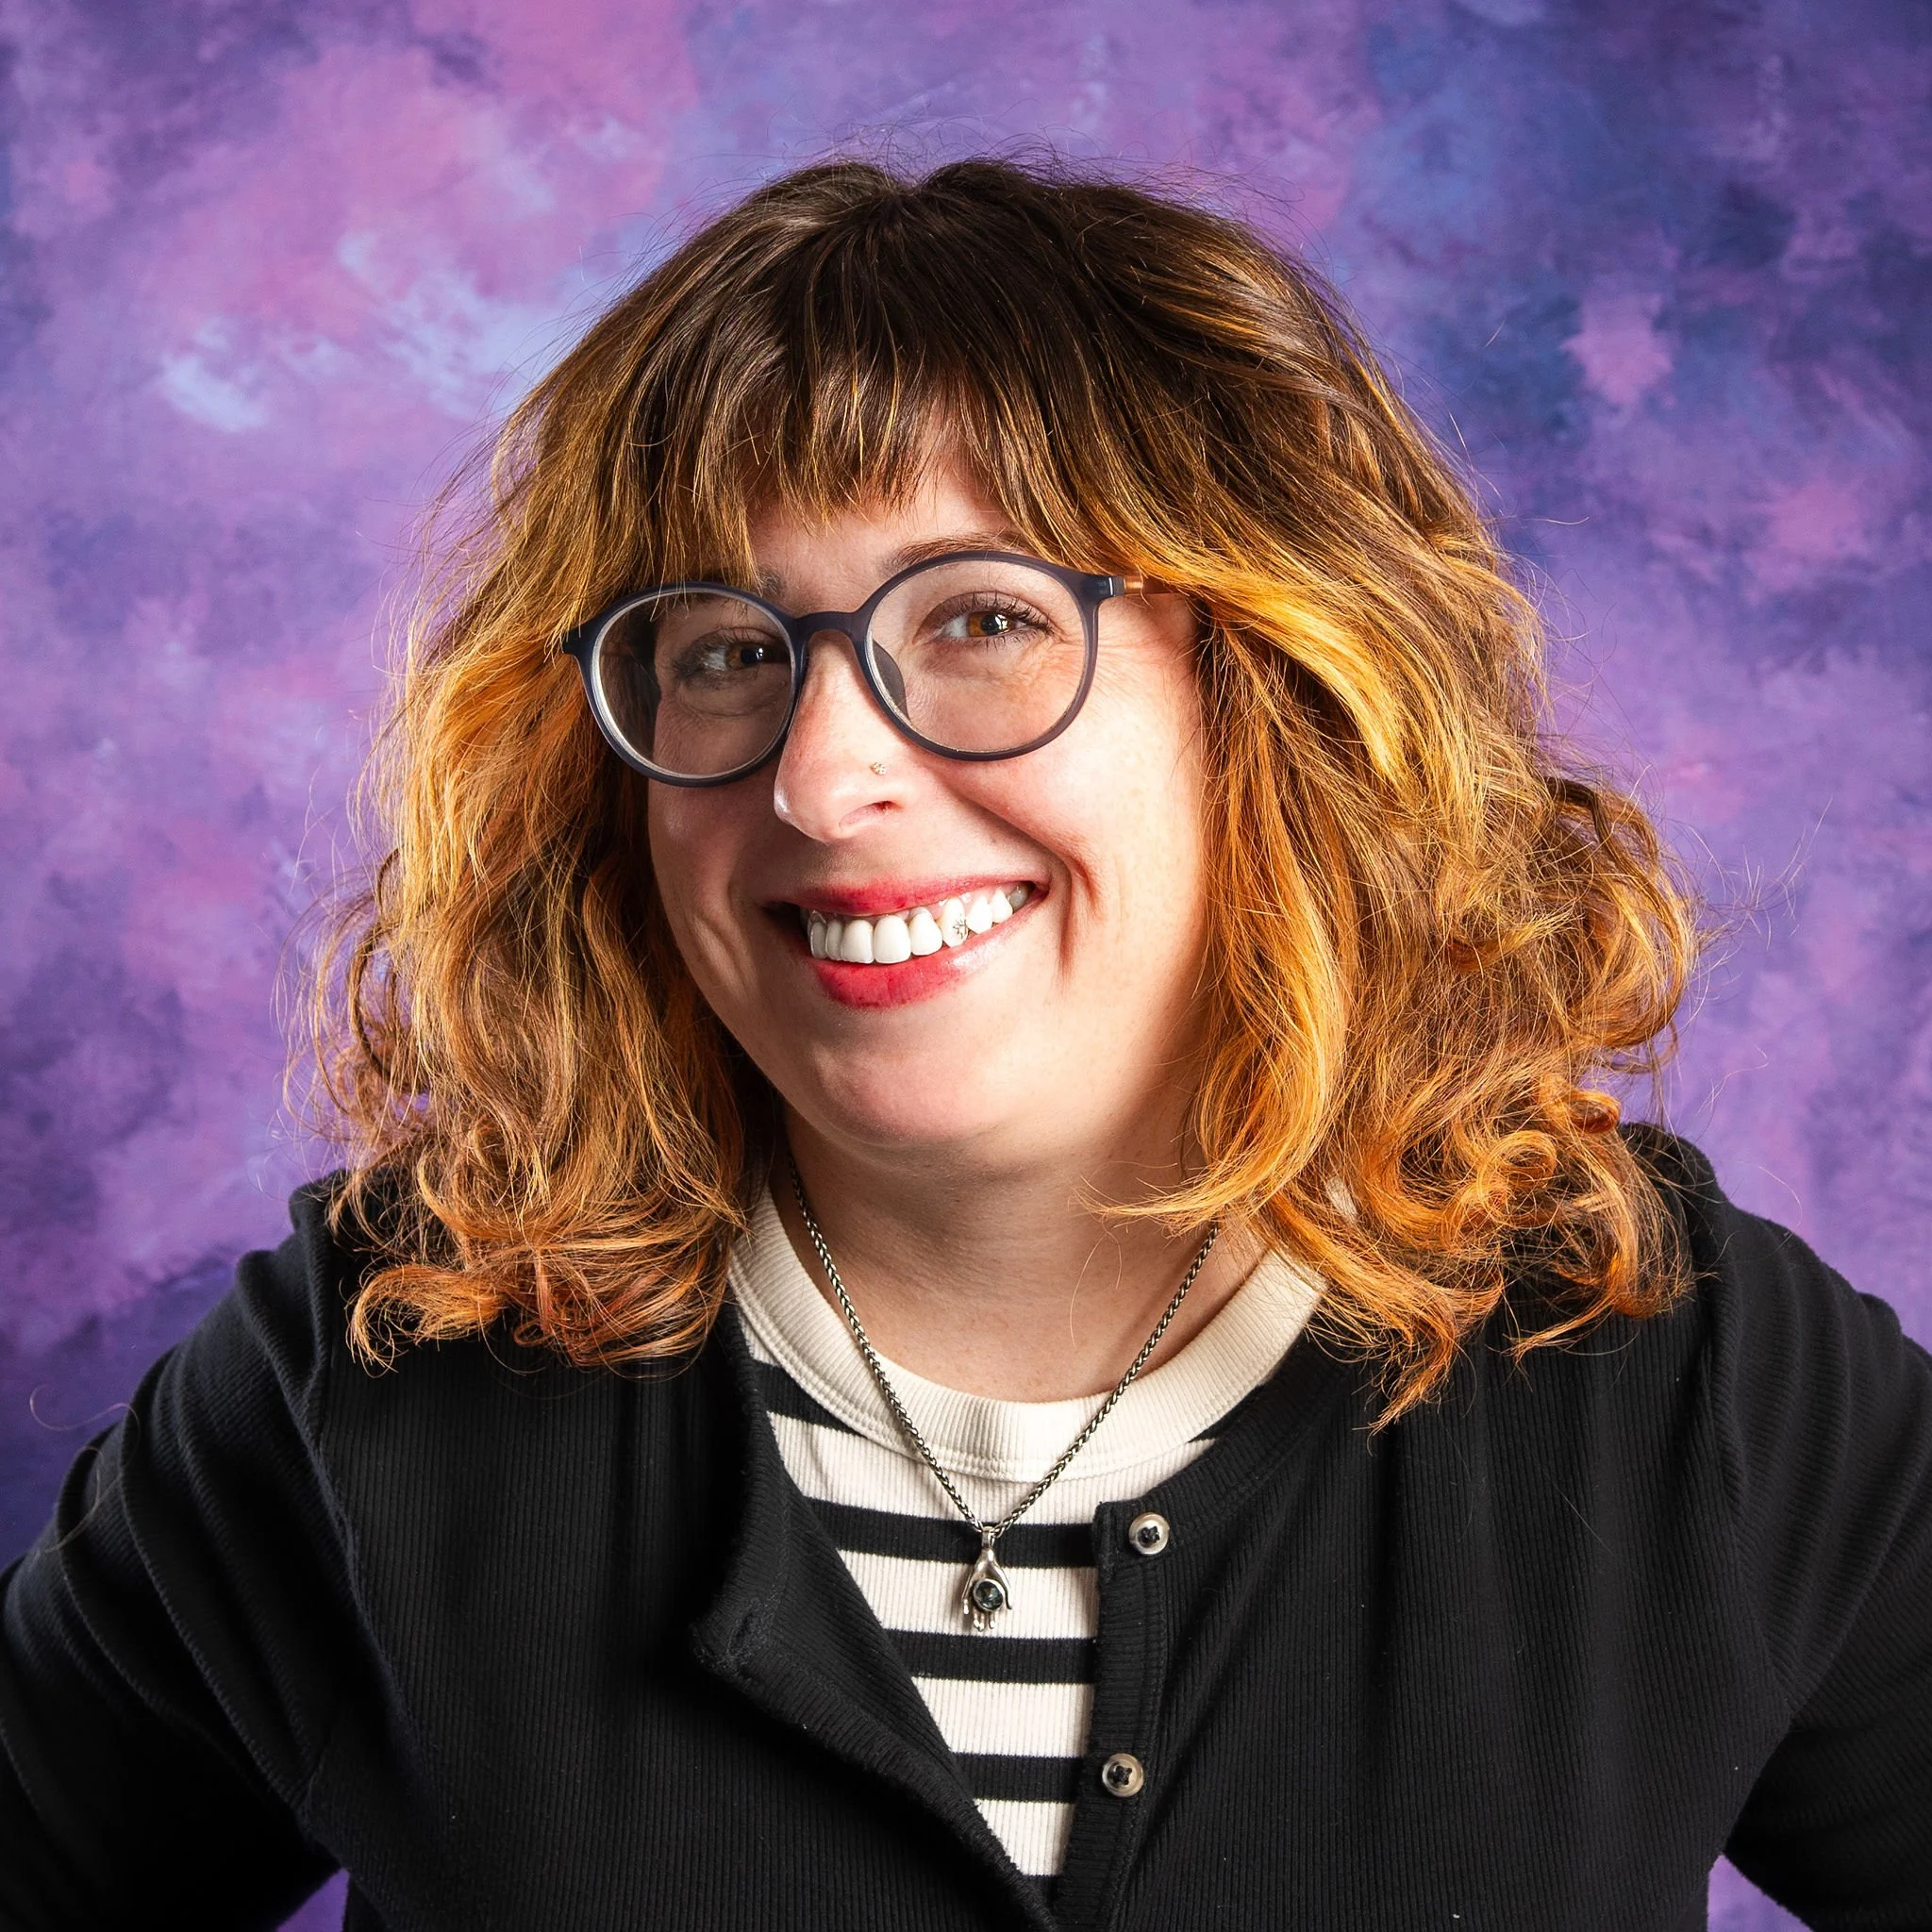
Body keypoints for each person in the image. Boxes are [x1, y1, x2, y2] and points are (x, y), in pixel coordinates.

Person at [1, 155, 1927, 1932]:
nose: (826, 780)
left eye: (985, 620)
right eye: (726, 650)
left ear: (1269, 688)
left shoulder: (1682, 1373)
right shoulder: (371, 1385)